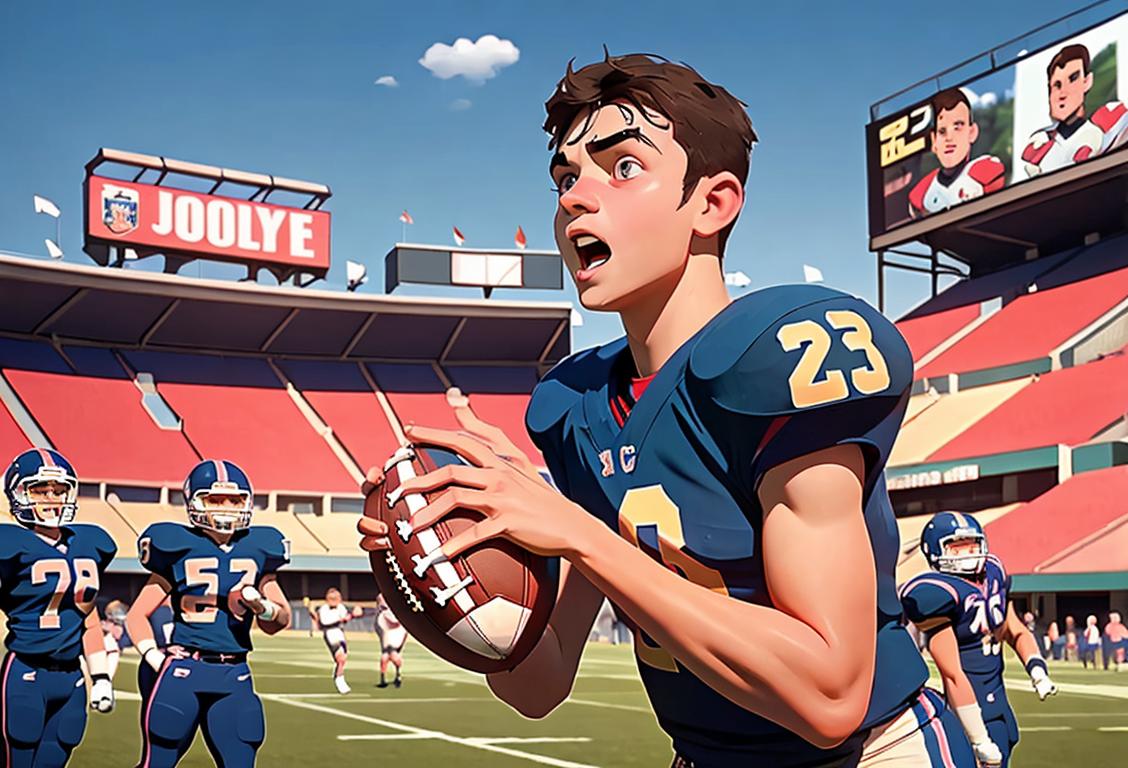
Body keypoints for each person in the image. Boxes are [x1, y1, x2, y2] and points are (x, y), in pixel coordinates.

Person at [360, 52, 976, 766]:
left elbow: (829, 696)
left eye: (621, 166)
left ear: (711, 203)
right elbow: (539, 684)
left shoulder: (778, 358)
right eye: (565, 176)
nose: (574, 197)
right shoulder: (578, 406)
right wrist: (447, 575)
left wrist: (578, 533)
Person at [124, 459, 291, 768]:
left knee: (241, 759)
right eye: (215, 499)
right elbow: (136, 616)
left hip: (234, 673)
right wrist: (154, 657)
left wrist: (263, 608)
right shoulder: (175, 545)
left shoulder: (259, 547)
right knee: (158, 760)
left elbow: (280, 621)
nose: (226, 507)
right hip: (184, 669)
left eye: (235, 499)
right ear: (195, 502)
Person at [901, 512, 1057, 767]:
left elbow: (1015, 630)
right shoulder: (940, 594)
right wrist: (979, 739)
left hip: (1000, 706)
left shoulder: (993, 573)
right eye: (958, 547)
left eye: (973, 544)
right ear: (936, 551)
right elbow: (952, 673)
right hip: (970, 712)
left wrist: (1037, 669)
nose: (969, 553)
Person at [0, 448, 117, 766]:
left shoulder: (89, 542)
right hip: (26, 669)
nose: (51, 497)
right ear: (18, 493)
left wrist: (102, 676)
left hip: (72, 676)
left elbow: (88, 618)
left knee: (57, 754)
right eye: (39, 489)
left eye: (59, 489)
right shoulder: (8, 543)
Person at [1022, 43, 1128, 176]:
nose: (1063, 93)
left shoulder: (1104, 131)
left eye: (1073, 79)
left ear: (1087, 82)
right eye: (1057, 85)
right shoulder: (1039, 146)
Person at [908, 88, 1005, 218]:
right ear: (934, 141)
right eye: (942, 131)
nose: (949, 138)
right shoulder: (922, 191)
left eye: (957, 127)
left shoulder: (983, 171)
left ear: (972, 133)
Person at [312, 587, 357, 694]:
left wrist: (352, 615)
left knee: (343, 658)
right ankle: (339, 679)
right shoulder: (324, 609)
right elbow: (325, 623)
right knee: (340, 658)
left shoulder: (341, 607)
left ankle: (338, 674)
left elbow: (345, 618)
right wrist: (340, 620)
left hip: (340, 633)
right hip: (330, 634)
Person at [374, 593, 406, 688]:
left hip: (396, 629)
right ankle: (386, 677)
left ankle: (397, 675)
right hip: (388, 630)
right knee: (385, 656)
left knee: (392, 654)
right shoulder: (382, 600)